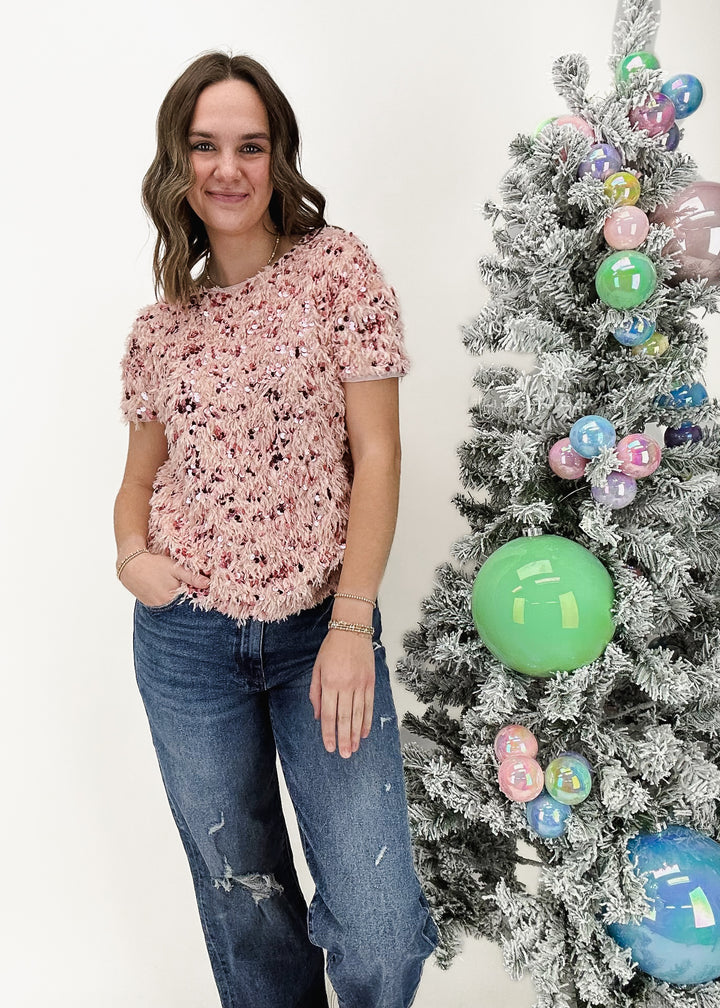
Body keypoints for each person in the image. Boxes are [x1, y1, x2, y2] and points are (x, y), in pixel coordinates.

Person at [113, 52, 438, 1008]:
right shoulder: (159, 327)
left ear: (278, 157)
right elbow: (137, 479)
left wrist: (349, 625)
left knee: (378, 929)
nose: (227, 168)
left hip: (317, 634)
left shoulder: (338, 271)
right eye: (205, 146)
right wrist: (135, 558)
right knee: (247, 914)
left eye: (249, 146)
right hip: (187, 645)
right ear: (177, 163)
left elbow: (377, 454)